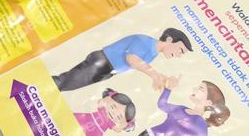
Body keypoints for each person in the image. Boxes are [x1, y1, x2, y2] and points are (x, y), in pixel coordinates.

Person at [53, 28, 192, 92]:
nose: (179, 55)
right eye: (180, 50)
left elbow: (139, 65)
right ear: (169, 40)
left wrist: (160, 79)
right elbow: (132, 59)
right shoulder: (145, 42)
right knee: (64, 82)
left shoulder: (153, 53)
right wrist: (155, 75)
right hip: (102, 62)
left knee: (67, 85)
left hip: (108, 71)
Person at [139, 77, 230, 135]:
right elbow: (162, 105)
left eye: (200, 89)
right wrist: (168, 88)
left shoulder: (200, 125)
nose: (194, 89)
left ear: (208, 102)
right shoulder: (181, 108)